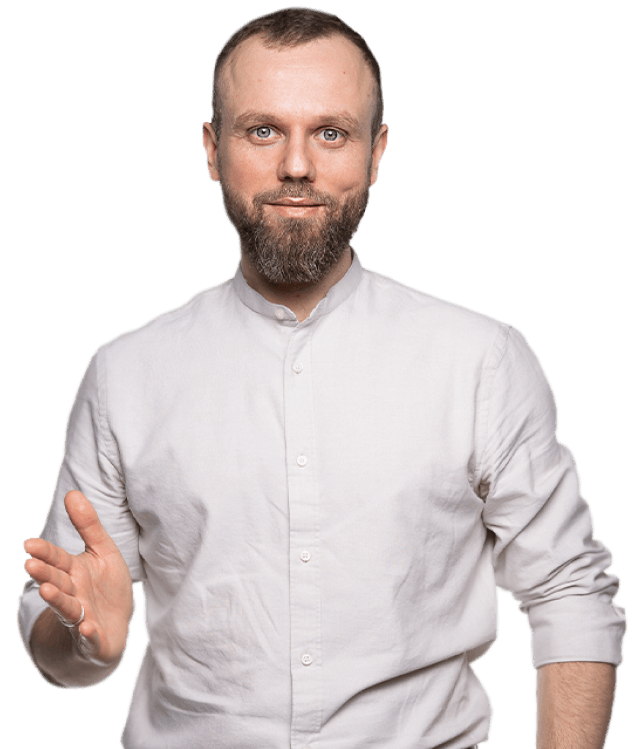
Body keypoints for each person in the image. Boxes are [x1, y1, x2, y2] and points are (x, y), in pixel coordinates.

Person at [17, 7, 625, 749]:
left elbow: (570, 591)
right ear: (212, 151)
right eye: (262, 131)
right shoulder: (124, 374)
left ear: (377, 152)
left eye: (331, 132)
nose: (297, 165)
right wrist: (83, 644)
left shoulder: (481, 361)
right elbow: (62, 632)